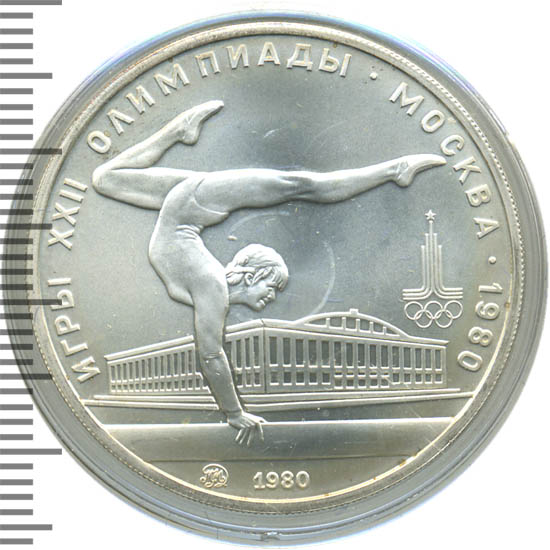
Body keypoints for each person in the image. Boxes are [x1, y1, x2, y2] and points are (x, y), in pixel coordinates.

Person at [92, 100, 446, 445]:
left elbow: (210, 351)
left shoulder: (210, 285)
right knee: (298, 185)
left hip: (190, 203)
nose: (272, 297)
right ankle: (394, 170)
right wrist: (234, 413)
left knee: (106, 179)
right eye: (272, 287)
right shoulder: (212, 285)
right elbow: (211, 355)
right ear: (250, 276)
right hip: (193, 201)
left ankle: (179, 131)